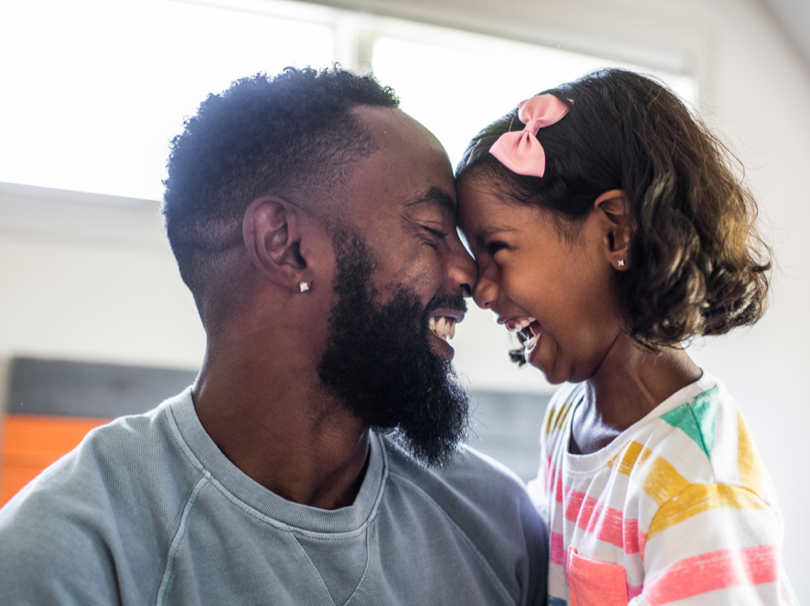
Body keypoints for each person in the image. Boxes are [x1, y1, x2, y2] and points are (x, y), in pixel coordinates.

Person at [0, 67, 548, 605]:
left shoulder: (500, 523)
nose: (471, 275)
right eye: (432, 231)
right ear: (285, 245)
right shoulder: (68, 557)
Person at [455, 68, 796, 605]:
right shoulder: (570, 414)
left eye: (496, 249)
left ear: (616, 231)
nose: (480, 290)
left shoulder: (696, 483)